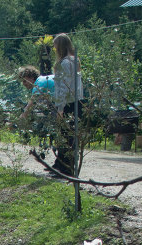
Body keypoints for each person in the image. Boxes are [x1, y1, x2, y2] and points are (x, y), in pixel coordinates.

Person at [51, 33, 85, 177]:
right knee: (69, 136)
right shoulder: (74, 60)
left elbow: (65, 86)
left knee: (66, 136)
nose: (54, 49)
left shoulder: (65, 63)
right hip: (76, 102)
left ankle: (66, 168)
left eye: (55, 46)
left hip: (68, 104)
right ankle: (60, 164)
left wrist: (60, 108)